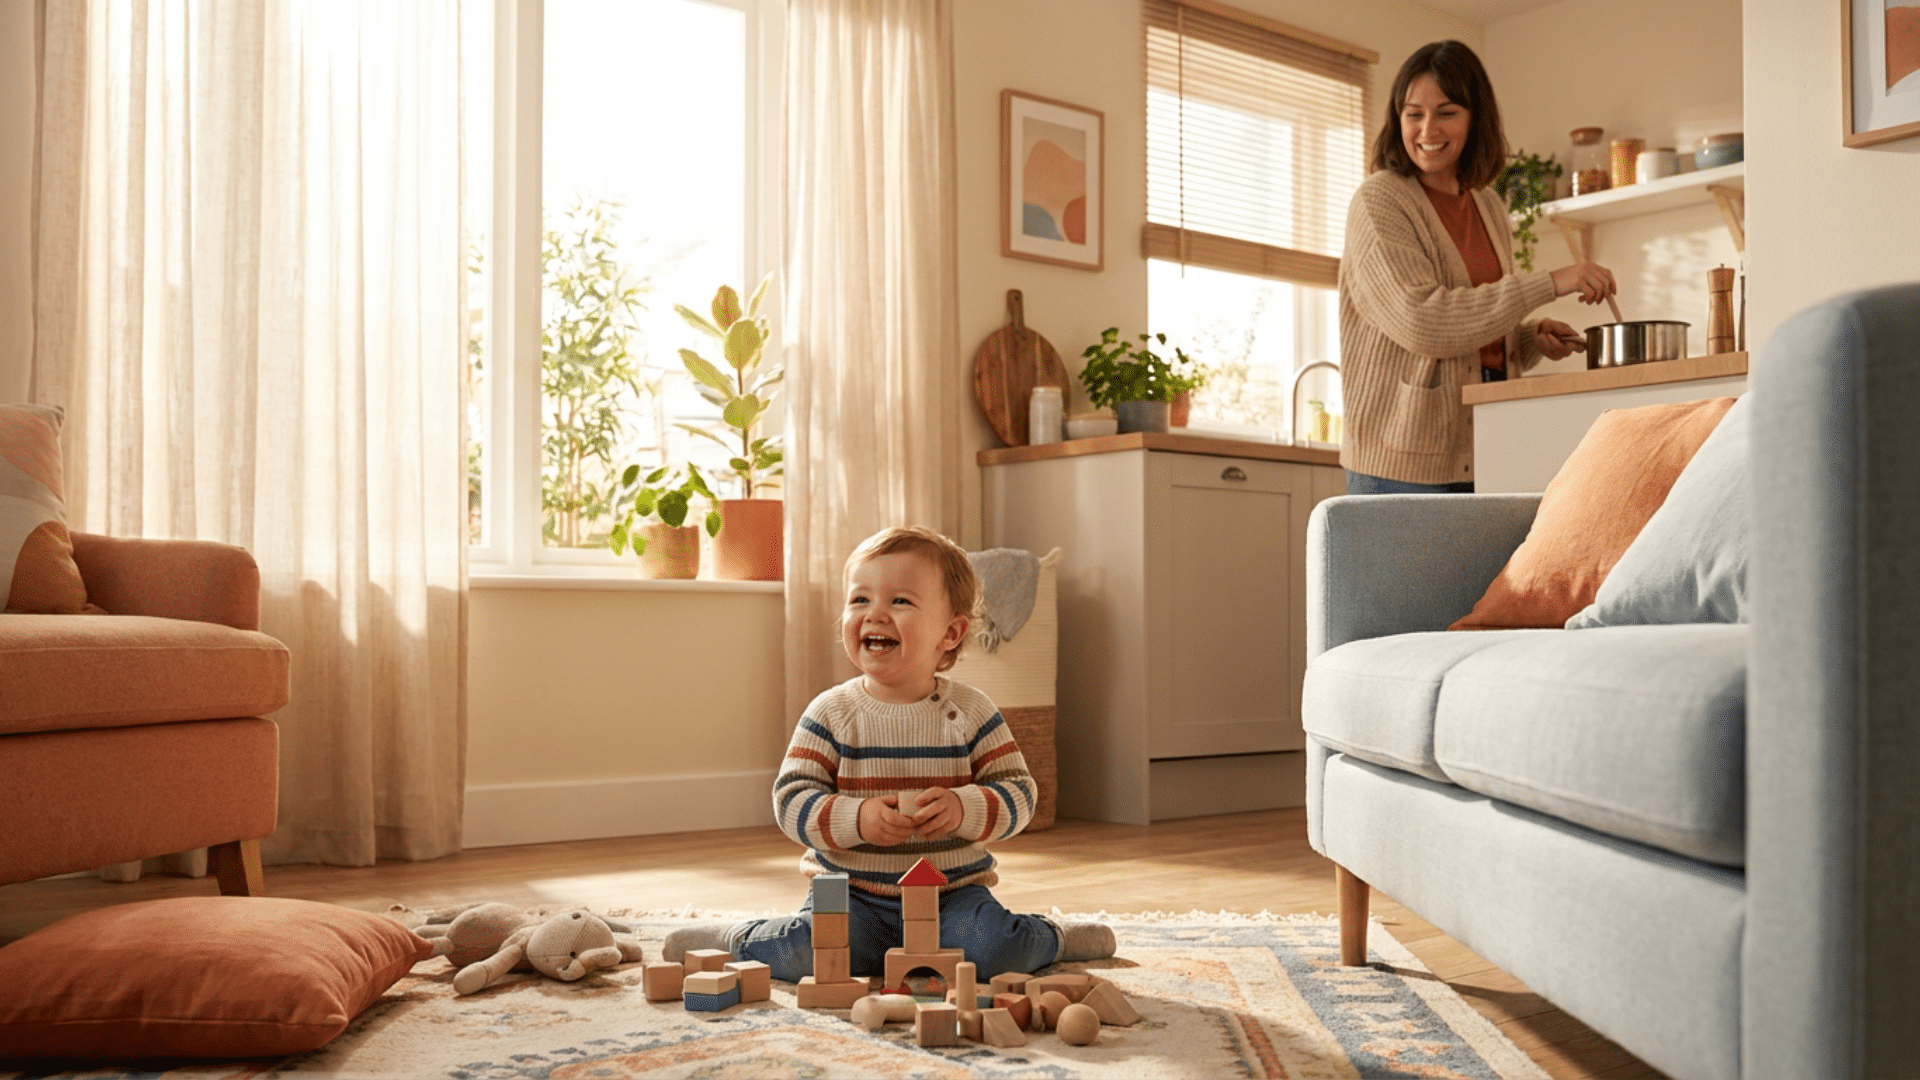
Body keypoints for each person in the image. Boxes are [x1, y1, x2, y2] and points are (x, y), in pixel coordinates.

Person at [663, 526, 1114, 981]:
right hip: (850, 896)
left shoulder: (974, 712)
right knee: (808, 953)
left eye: (899, 601)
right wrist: (857, 820)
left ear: (951, 632)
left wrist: (964, 808)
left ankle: (1053, 937)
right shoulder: (831, 712)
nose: (875, 614)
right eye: (860, 600)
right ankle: (737, 939)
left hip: (952, 897)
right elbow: (791, 801)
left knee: (998, 952)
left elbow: (1020, 795)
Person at [1338, 39, 1617, 494]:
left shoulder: (1487, 205)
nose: (1428, 128)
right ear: (1397, 119)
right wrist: (1552, 282)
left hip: (1485, 441)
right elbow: (1423, 321)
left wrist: (1527, 339)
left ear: (1474, 119)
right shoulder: (1379, 200)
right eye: (1414, 113)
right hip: (1403, 460)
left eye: (1446, 112)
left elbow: (1472, 332)